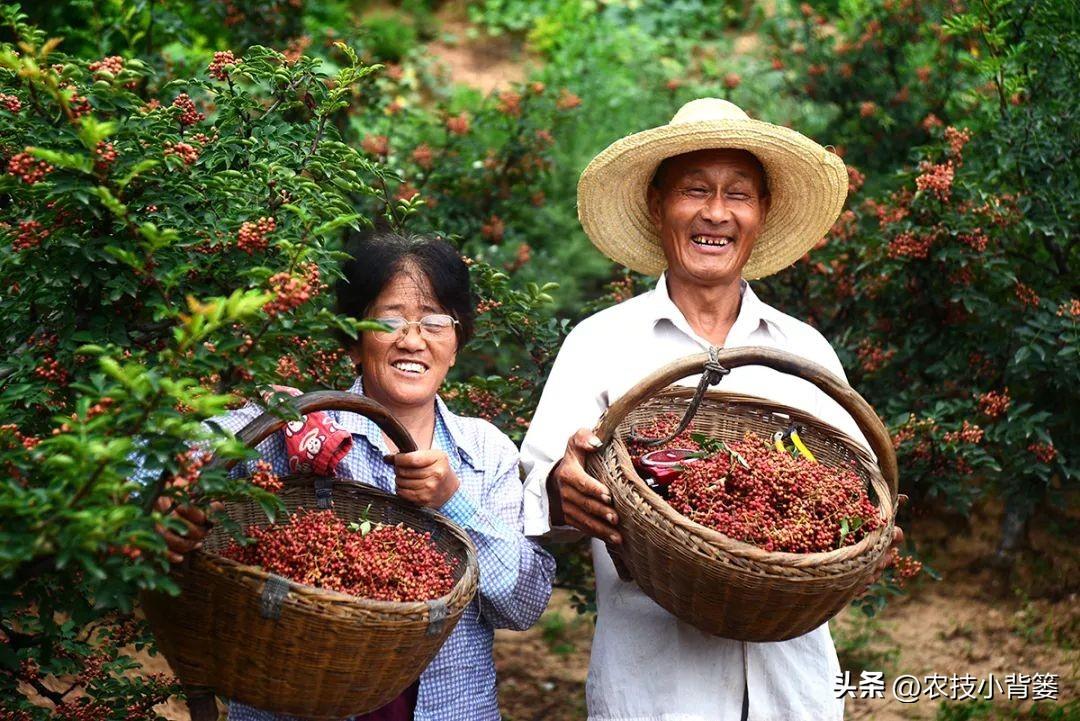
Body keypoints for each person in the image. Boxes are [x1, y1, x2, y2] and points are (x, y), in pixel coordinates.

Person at [520, 98, 904, 721]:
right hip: (658, 690)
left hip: (793, 689)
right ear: (657, 205)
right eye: (694, 190)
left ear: (762, 212)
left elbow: (848, 489)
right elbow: (534, 493)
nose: (716, 214)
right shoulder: (599, 343)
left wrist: (864, 537)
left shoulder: (802, 351)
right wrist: (563, 492)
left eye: (739, 194)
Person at [162, 231, 556, 721]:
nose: (413, 339)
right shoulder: (298, 427)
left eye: (435, 321)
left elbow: (523, 606)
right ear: (353, 342)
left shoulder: (485, 453)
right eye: (389, 319)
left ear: (456, 346)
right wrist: (167, 495)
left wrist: (454, 501)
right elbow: (163, 454)